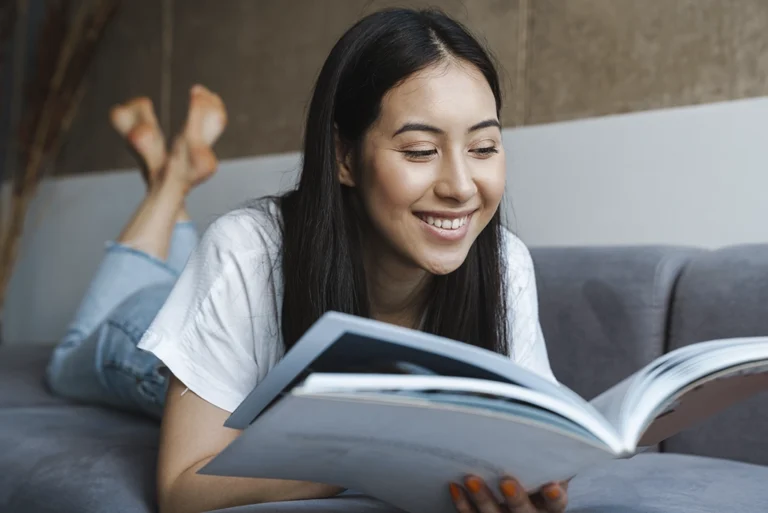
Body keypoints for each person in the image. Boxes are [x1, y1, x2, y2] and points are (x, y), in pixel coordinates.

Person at [45, 7, 569, 513]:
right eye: (419, 151)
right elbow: (181, 491)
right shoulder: (248, 251)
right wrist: (373, 455)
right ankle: (169, 185)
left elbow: (542, 439)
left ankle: (171, 176)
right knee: (67, 361)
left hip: (221, 310)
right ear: (344, 157)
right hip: (142, 337)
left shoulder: (504, 263)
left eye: (483, 148)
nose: (461, 187)